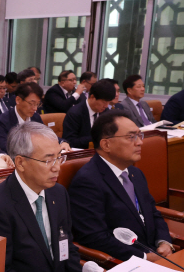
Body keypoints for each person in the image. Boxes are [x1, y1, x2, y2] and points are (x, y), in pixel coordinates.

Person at [0, 122, 88, 272]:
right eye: (48, 160)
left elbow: (67, 246)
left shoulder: (58, 193)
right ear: (20, 163)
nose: (57, 167)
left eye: (59, 158)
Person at [68, 110, 173, 262]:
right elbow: (94, 237)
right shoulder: (87, 181)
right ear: (106, 144)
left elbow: (153, 213)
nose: (140, 142)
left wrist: (164, 241)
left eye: (139, 135)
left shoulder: (135, 173)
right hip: (124, 263)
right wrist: (144, 258)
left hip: (155, 254)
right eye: (131, 137)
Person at [0, 82, 71, 153]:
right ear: (18, 100)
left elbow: (47, 134)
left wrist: (62, 142)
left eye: (37, 104)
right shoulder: (2, 121)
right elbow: (4, 148)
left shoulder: (35, 117)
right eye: (31, 103)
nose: (35, 108)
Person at [62, 79, 115, 149]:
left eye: (108, 102)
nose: (106, 106)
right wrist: (96, 137)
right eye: (104, 102)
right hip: (82, 153)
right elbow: (70, 141)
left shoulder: (106, 112)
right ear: (92, 97)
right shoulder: (75, 113)